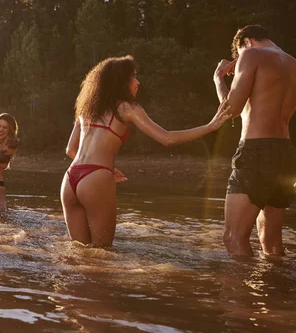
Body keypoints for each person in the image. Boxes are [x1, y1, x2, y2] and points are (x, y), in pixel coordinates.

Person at [62, 55, 230, 247]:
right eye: (133, 76)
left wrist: (101, 169)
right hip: (95, 179)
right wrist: (210, 127)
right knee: (103, 252)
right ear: (121, 80)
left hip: (70, 179)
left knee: (79, 253)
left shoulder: (87, 109)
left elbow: (70, 150)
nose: (138, 82)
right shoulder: (126, 108)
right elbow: (167, 138)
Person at [214, 25, 296, 257]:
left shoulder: (250, 54)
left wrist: (219, 78)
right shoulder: (293, 63)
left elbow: (230, 110)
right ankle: (274, 291)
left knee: (233, 238)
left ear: (246, 41)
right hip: (286, 153)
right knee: (271, 242)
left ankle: (239, 294)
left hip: (257, 151)